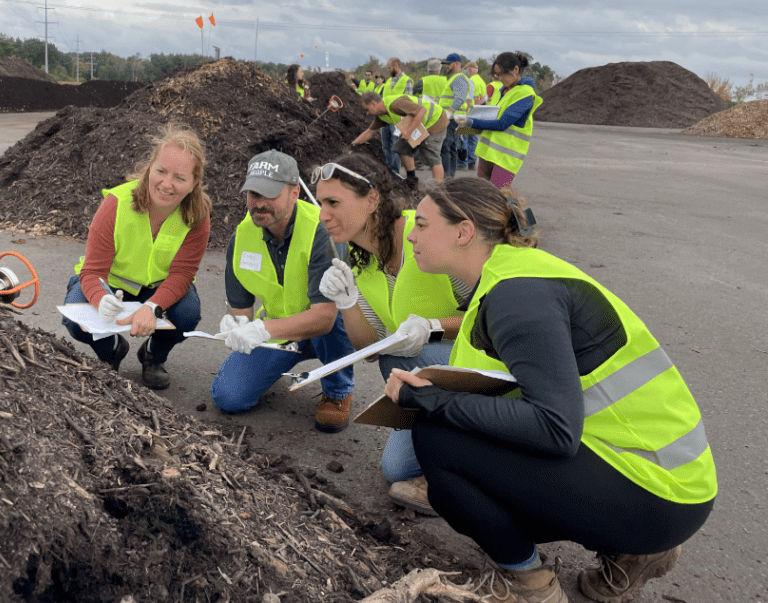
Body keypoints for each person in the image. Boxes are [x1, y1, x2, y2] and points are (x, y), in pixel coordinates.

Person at [385, 178, 716, 603]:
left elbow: (555, 429)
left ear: (463, 232)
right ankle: (631, 550)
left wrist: (437, 401)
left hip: (658, 494)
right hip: (660, 479)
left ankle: (530, 584)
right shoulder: (513, 276)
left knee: (440, 441)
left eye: (424, 224)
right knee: (458, 440)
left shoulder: (517, 298)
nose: (411, 233)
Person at [312, 152, 466, 513]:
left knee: (401, 355)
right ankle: (455, 449)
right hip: (431, 378)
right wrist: (347, 300)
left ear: (372, 199)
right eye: (320, 203)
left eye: (334, 202)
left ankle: (474, 458)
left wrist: (433, 328)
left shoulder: (427, 234)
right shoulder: (360, 261)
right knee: (397, 469)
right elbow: (369, 350)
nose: (322, 215)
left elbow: (492, 313)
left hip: (481, 365)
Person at [211, 150, 357, 432]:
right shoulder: (241, 237)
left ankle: (338, 391)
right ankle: (279, 362)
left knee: (338, 318)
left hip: (324, 328)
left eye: (270, 195)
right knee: (228, 397)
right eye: (253, 194)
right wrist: (239, 326)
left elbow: (324, 318)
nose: (259, 204)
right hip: (279, 329)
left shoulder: (321, 231)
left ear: (295, 193)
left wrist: (262, 330)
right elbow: (241, 308)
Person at [61, 123, 211, 390]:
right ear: (150, 168)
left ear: (194, 184)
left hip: (157, 292)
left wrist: (152, 307)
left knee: (187, 314)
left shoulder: (197, 216)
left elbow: (182, 274)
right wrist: (100, 297)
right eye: (161, 171)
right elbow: (92, 271)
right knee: (75, 317)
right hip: (110, 287)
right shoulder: (116, 204)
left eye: (180, 177)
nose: (166, 184)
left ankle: (153, 355)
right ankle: (112, 351)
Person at [467, 52, 544, 189]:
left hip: (506, 158)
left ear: (515, 70)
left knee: (497, 198)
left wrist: (472, 123)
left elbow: (502, 123)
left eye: (503, 74)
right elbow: (494, 113)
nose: (500, 78)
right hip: (487, 152)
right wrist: (481, 107)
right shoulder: (502, 90)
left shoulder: (525, 93)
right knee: (482, 195)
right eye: (497, 75)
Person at [352, 88, 447, 187]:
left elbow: (422, 110)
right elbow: (369, 132)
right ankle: (412, 180)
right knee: (401, 148)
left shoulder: (395, 104)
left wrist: (409, 132)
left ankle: (440, 189)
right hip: (420, 124)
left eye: (367, 109)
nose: (367, 113)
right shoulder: (382, 115)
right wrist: (352, 145)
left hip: (435, 119)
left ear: (373, 104)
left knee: (431, 155)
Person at [438, 53, 472, 180]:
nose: (446, 66)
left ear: (457, 63)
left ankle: (446, 176)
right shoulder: (456, 78)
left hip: (452, 118)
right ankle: (449, 176)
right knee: (451, 146)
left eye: (448, 63)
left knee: (445, 146)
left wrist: (449, 112)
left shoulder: (459, 78)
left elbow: (460, 97)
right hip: (455, 118)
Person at [461, 61, 488, 171]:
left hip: (470, 111)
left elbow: (467, 98)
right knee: (474, 137)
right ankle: (472, 161)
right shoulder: (482, 81)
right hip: (479, 112)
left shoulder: (470, 81)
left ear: (470, 70)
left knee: (465, 137)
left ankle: (464, 162)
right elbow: (485, 99)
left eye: (466, 71)